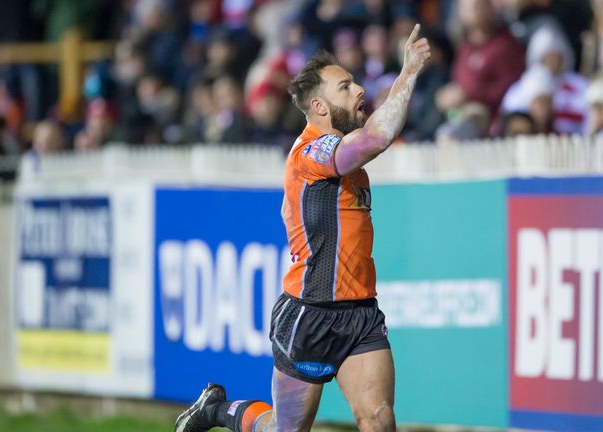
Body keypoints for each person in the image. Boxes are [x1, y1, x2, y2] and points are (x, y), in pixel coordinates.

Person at [174, 23, 431, 432]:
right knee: (286, 429)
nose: (359, 89)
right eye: (345, 87)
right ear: (320, 107)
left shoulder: (345, 157)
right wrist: (409, 72)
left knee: (379, 420)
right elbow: (377, 137)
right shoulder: (311, 152)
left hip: (360, 312)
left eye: (354, 82)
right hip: (310, 313)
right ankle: (216, 410)